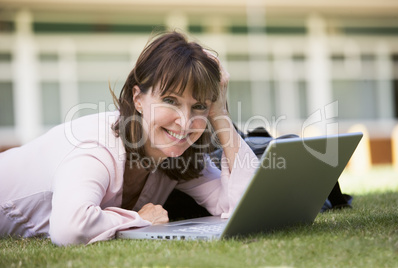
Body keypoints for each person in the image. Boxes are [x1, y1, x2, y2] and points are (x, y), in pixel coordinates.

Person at [0, 31, 258, 246]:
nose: (185, 121)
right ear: (138, 99)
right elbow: (70, 229)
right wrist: (140, 219)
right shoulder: (96, 144)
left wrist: (220, 114)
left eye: (199, 106)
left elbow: (243, 208)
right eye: (170, 101)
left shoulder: (176, 155)